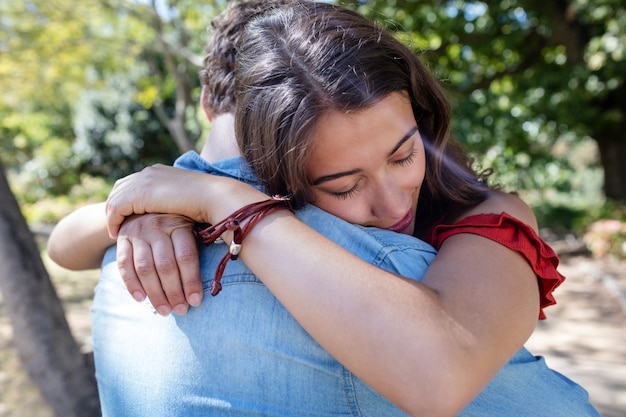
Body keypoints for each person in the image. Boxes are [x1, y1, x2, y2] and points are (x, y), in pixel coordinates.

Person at [102, 1, 601, 416]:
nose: (391, 202)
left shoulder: (490, 216)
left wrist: (224, 202)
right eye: (344, 186)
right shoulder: (291, 228)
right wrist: (149, 210)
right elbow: (68, 238)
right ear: (280, 176)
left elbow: (441, 375)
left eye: (404, 155)